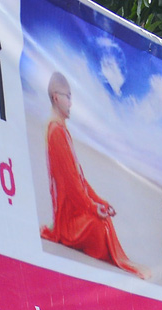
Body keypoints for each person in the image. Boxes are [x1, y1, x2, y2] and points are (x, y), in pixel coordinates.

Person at [37, 71, 145, 278]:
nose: (70, 103)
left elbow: (80, 180)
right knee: (99, 225)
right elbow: (71, 187)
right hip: (67, 219)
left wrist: (100, 202)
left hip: (77, 208)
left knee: (103, 220)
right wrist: (93, 208)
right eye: (68, 97)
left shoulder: (62, 130)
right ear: (56, 97)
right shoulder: (56, 132)